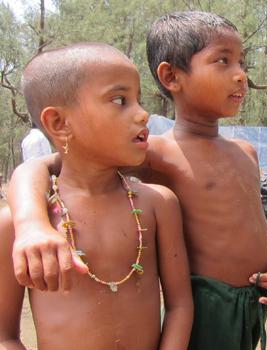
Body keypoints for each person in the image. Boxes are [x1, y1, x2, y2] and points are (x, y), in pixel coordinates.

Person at [8, 12, 267, 350]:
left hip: (250, 302)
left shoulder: (246, 152)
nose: (240, 76)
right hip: (203, 305)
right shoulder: (158, 152)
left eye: (242, 63)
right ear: (171, 76)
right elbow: (41, 168)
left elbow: (255, 228)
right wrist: (30, 223)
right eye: (223, 61)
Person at [0, 43, 193, 350]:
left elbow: (180, 306)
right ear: (59, 123)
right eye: (120, 100)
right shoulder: (21, 228)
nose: (143, 114)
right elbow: (5, 336)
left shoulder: (158, 204)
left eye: (139, 100)